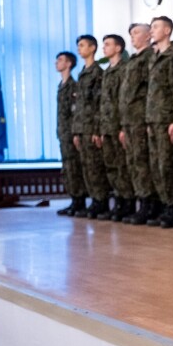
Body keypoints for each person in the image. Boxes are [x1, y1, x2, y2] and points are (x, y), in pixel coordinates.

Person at [145, 16, 173, 228]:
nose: (152, 31)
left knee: (168, 164)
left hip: (166, 119)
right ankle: (165, 204)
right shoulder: (154, 57)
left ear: (167, 30)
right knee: (156, 165)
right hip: (153, 118)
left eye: (155, 27)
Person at [119, 23, 159, 224]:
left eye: (136, 33)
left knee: (144, 162)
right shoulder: (133, 60)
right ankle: (141, 201)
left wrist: (147, 119)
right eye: (131, 34)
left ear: (148, 35)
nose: (132, 37)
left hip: (141, 118)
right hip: (129, 120)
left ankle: (149, 204)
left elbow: (150, 92)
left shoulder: (149, 57)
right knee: (134, 162)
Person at [72, 35, 111, 218]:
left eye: (82, 45)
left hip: (92, 127)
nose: (79, 49)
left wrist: (97, 129)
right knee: (86, 167)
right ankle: (94, 200)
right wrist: (76, 130)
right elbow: (78, 106)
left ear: (92, 48)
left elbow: (98, 104)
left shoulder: (97, 73)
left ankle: (101, 201)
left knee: (96, 166)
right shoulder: (82, 73)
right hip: (82, 127)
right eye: (78, 46)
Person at [98, 34, 136, 221]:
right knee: (112, 166)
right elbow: (103, 103)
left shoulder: (124, 69)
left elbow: (124, 100)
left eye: (107, 44)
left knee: (123, 166)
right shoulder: (106, 71)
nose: (103, 48)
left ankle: (128, 202)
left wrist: (123, 126)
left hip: (119, 124)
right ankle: (119, 199)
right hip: (107, 126)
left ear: (118, 48)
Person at [55, 51, 86, 216]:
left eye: (60, 60)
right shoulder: (61, 86)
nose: (56, 63)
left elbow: (75, 112)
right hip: (63, 132)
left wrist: (76, 133)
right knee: (67, 167)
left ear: (69, 64)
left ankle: (79, 200)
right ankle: (74, 198)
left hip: (71, 132)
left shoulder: (73, 86)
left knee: (74, 167)